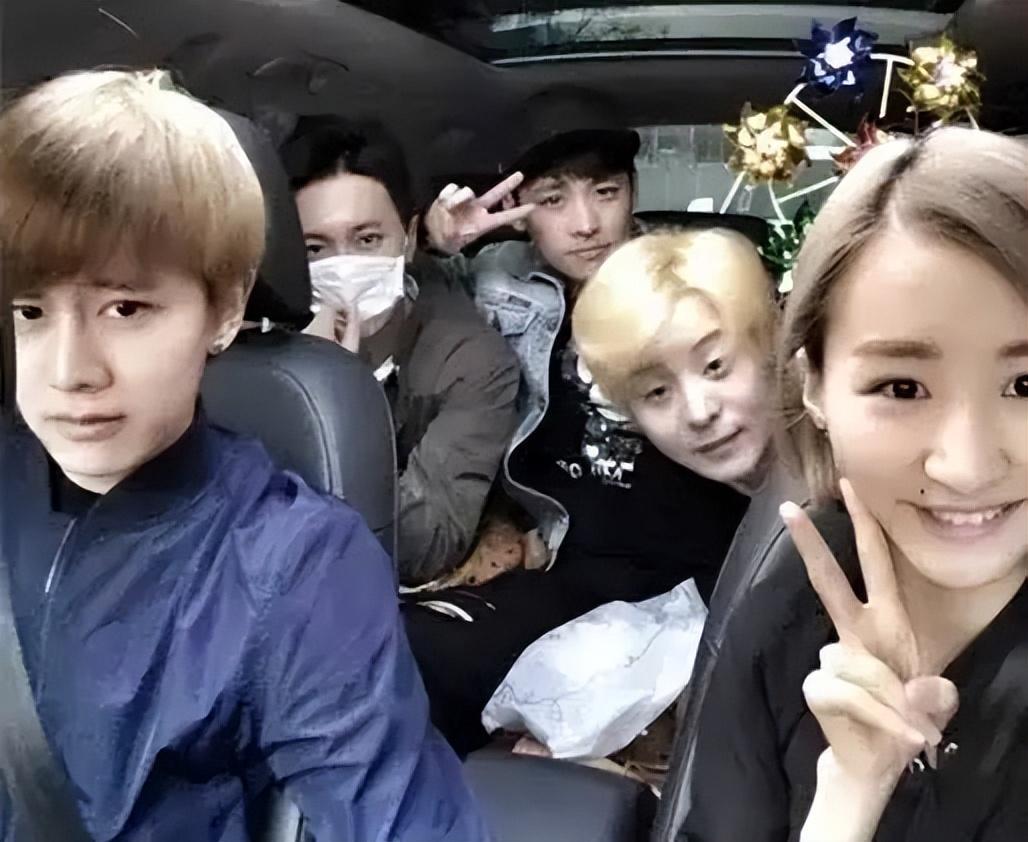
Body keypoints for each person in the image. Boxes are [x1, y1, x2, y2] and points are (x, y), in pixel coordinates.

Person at [0, 70, 489, 842]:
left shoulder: (292, 565)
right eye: (29, 311)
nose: (69, 372)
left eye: (125, 307)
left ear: (226, 308)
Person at [682, 127, 1028, 841]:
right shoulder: (792, 594)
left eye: (1025, 385)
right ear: (813, 386)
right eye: (902, 387)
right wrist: (849, 793)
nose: (966, 466)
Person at [405, 89, 749, 756]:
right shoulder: (501, 286)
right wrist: (434, 250)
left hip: (700, 569)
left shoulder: (693, 280)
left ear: (633, 192)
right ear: (520, 211)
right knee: (415, 656)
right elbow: (411, 327)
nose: (587, 223)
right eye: (554, 200)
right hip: (569, 566)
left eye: (606, 192)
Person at [280, 117, 520, 586]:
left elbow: (430, 545)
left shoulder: (472, 360)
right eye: (315, 249)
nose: (344, 268)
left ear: (409, 238)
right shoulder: (259, 343)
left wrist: (339, 399)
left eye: (367, 240)